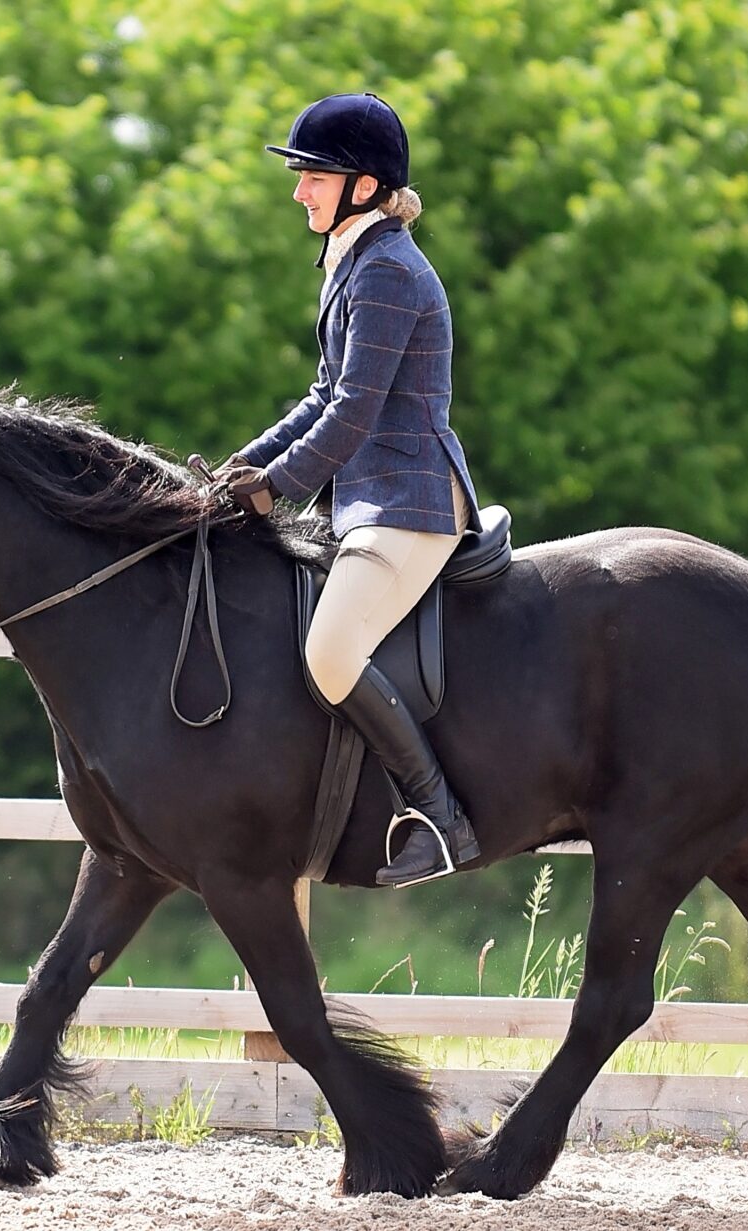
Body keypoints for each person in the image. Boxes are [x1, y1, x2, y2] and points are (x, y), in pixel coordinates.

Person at [220, 92, 484, 888]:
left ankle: (440, 818)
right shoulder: (359, 261)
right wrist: (241, 469)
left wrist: (276, 491)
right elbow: (319, 395)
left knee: (330, 653)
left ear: (362, 186)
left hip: (409, 502)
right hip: (370, 502)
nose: (299, 189)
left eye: (314, 176)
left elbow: (352, 414)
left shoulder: (390, 273)